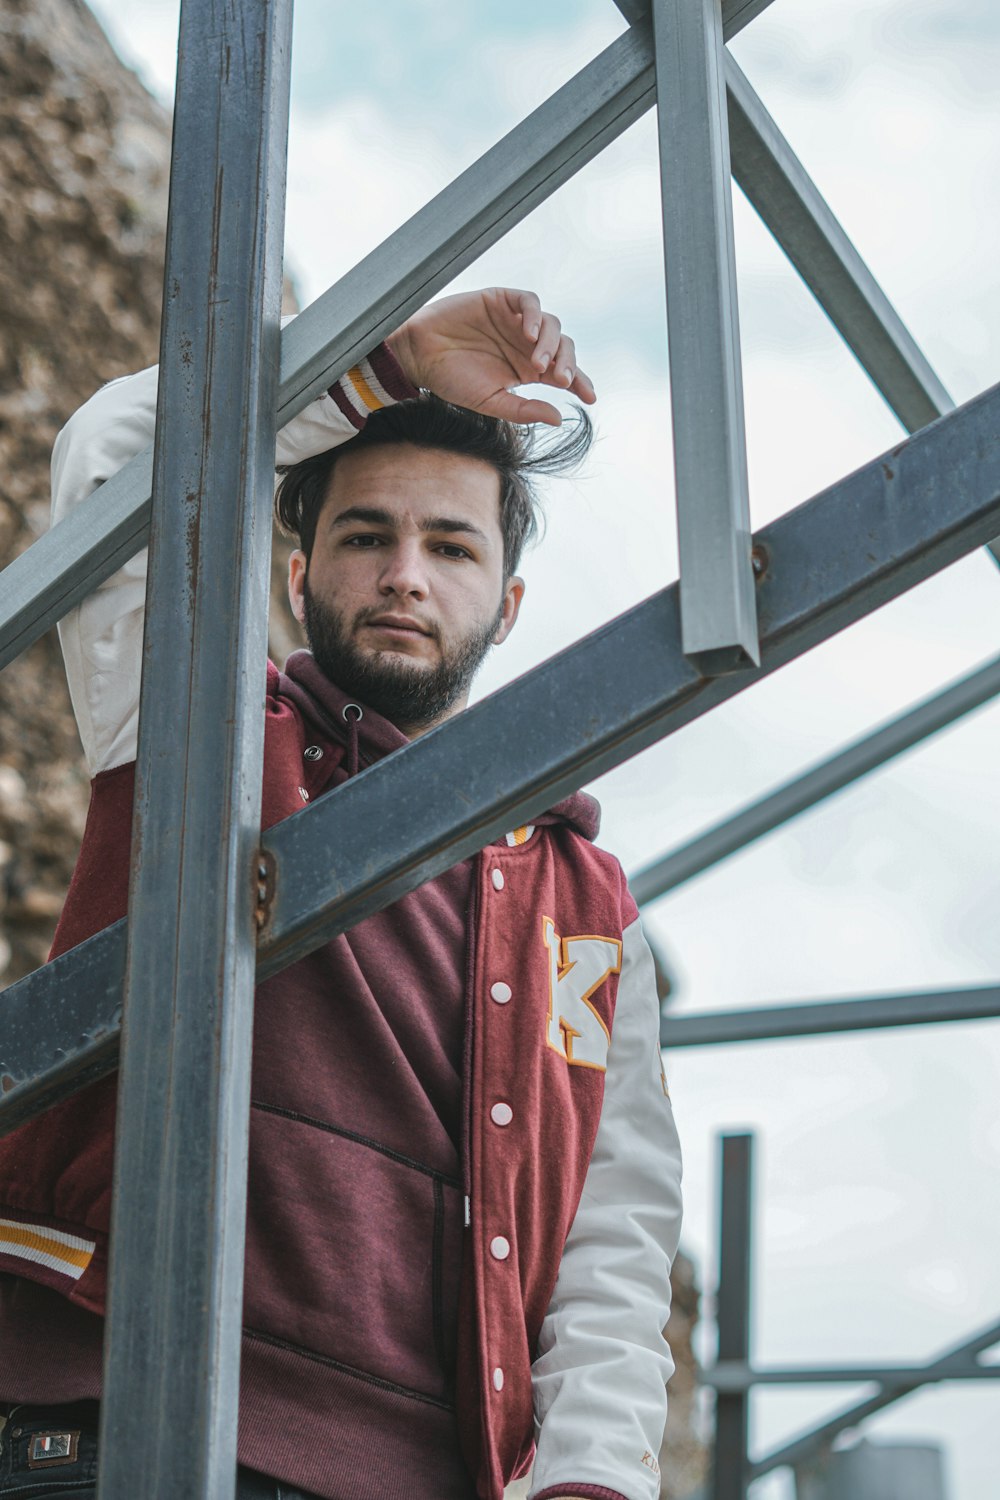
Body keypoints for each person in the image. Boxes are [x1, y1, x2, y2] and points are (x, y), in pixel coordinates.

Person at [0, 288, 683, 1500]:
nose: (404, 575)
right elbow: (116, 455)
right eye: (367, 535)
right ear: (301, 566)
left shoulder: (588, 910)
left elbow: (611, 1250)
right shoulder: (196, 721)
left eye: (452, 546)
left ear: (508, 604)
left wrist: (590, 1483)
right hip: (116, 1424)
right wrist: (387, 360)